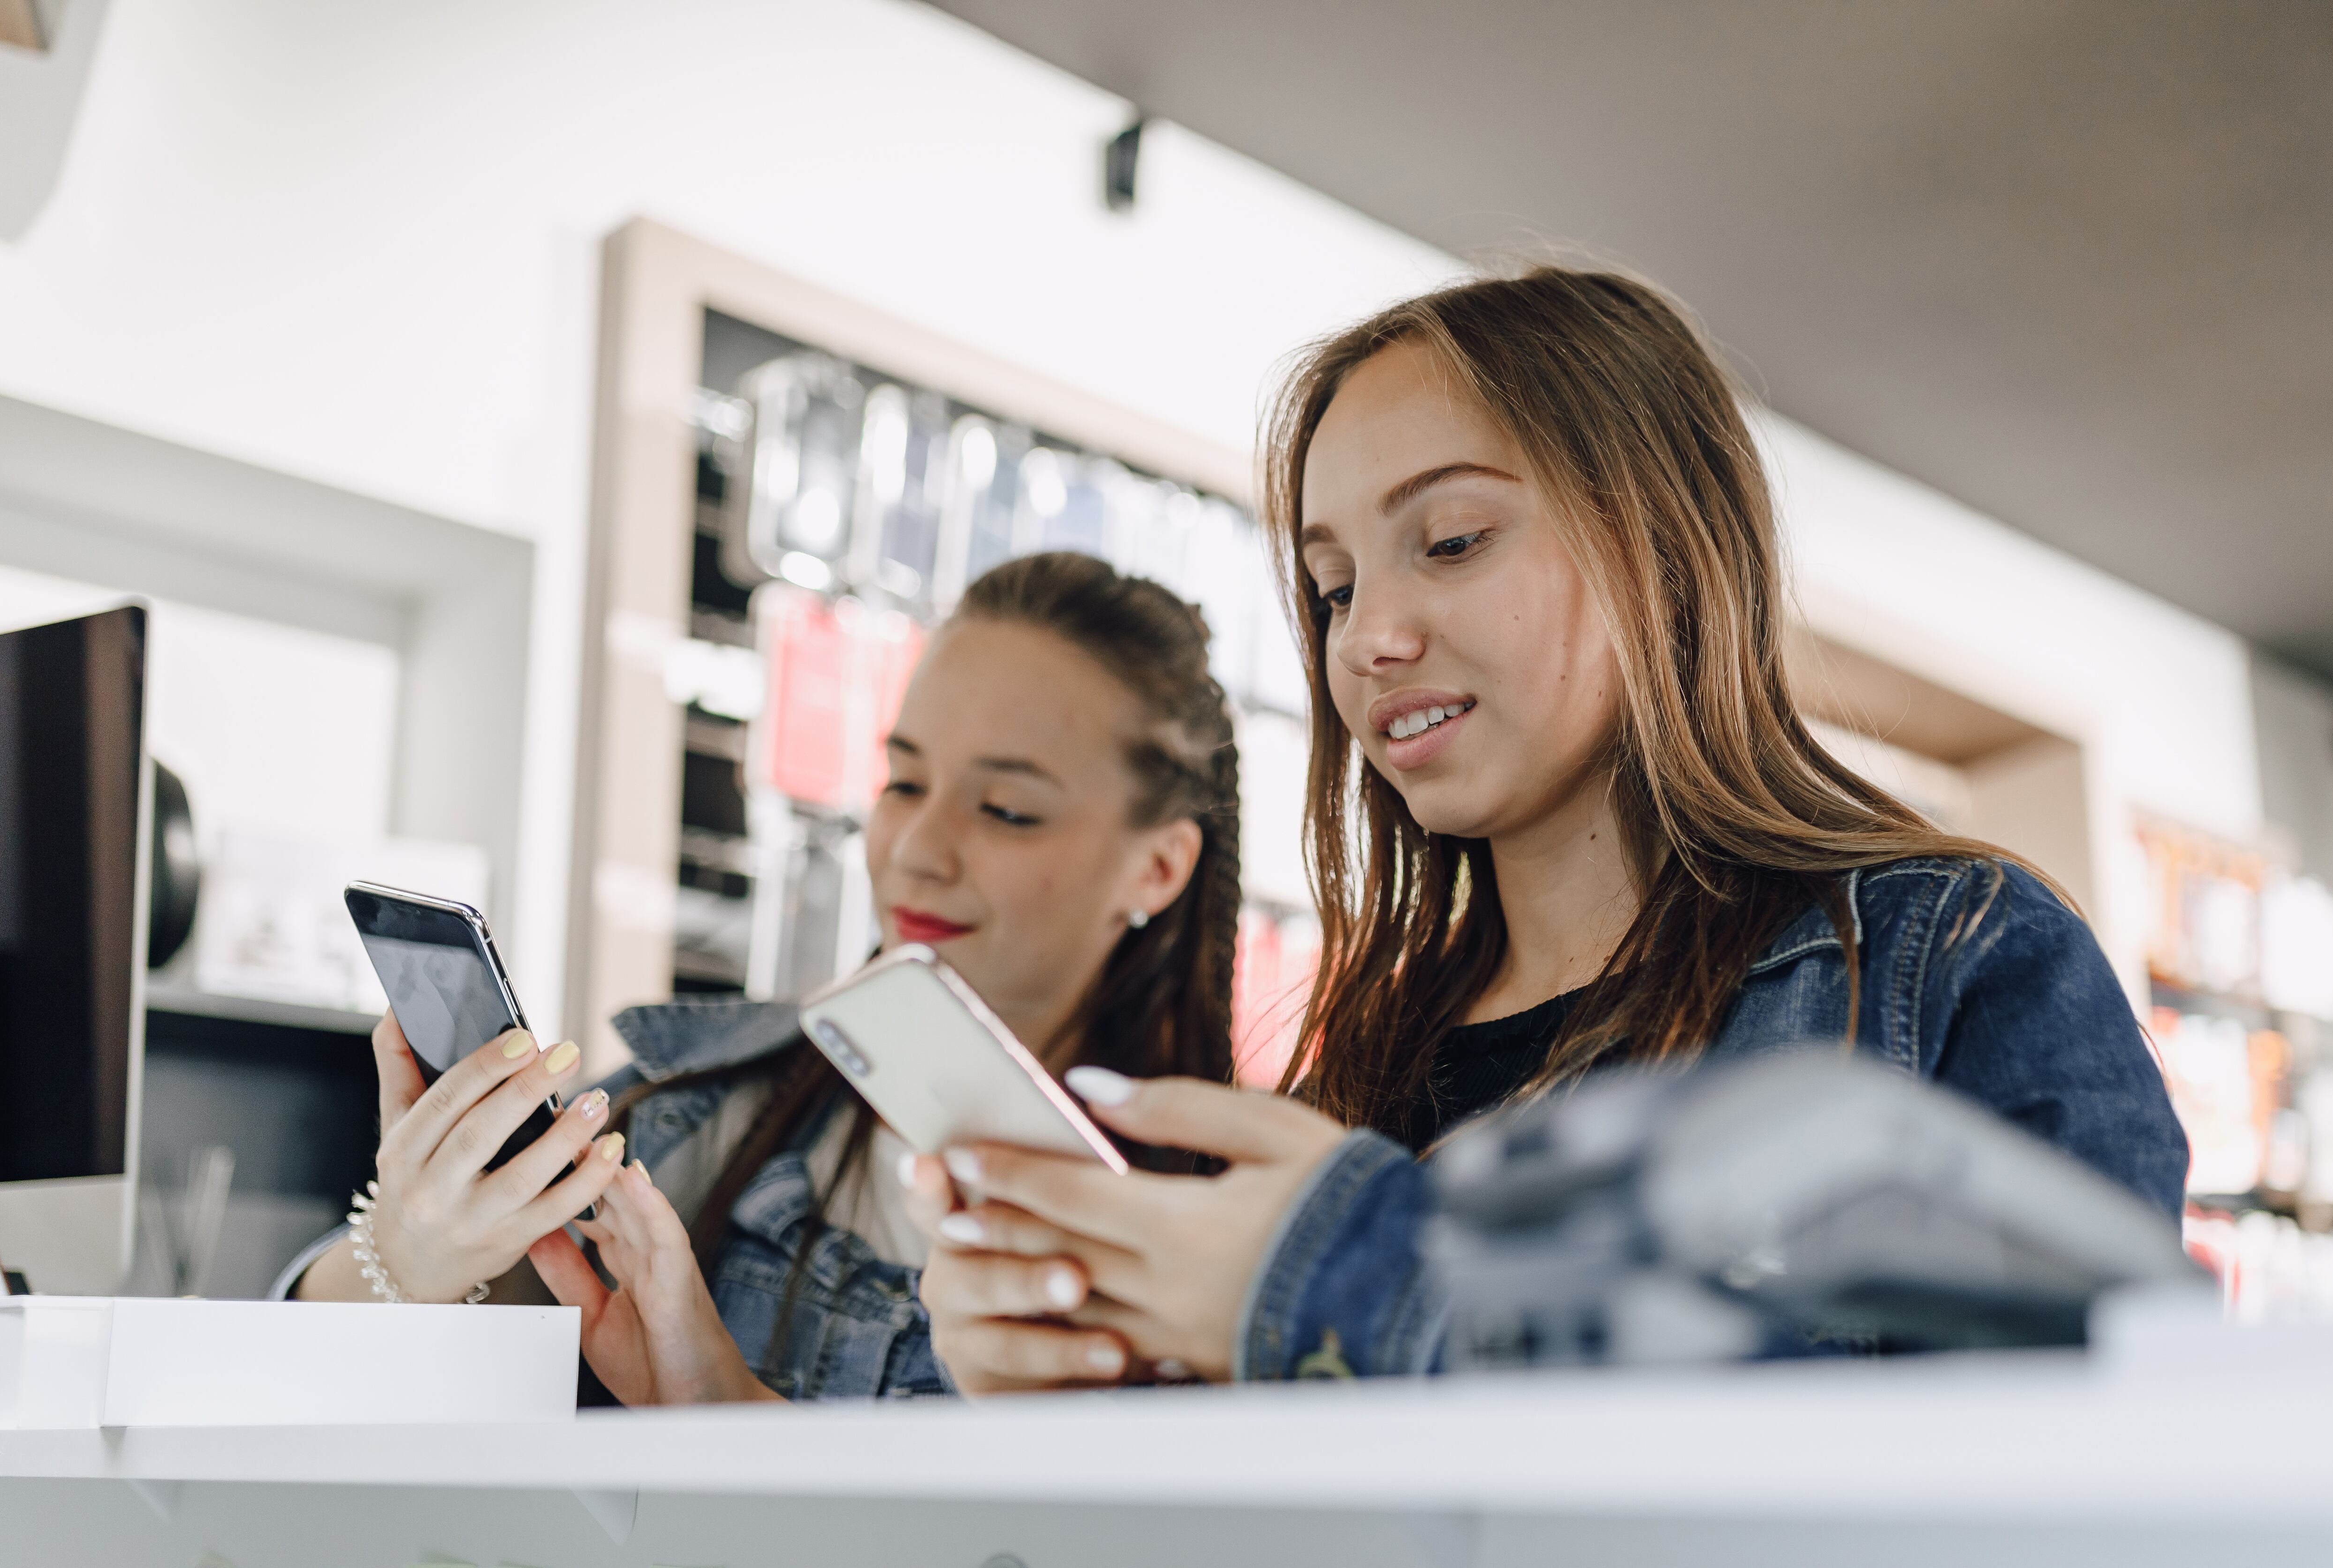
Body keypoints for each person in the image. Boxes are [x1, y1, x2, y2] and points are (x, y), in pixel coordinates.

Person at [899, 262, 2190, 1392]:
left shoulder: (1951, 956)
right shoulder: (1361, 1066)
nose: (1367, 637)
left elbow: (2085, 1488)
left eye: (1451, 540)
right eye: (1333, 586)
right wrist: (1098, 1387)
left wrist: (1367, 1280)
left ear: (1662, 546)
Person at [285, 551, 1241, 1402]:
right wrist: (403, 1257)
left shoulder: (1237, 1244)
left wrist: (732, 1413)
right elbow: (290, 1385)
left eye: (1005, 809)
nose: (917, 848)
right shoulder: (688, 1114)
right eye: (904, 782)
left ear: (1157, 867)